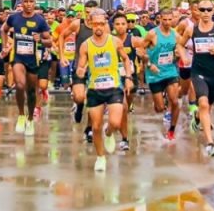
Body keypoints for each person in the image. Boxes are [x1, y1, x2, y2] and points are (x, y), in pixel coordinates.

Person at [75, 9, 133, 172]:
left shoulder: (115, 42)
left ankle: (109, 134)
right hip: (95, 89)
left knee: (114, 122)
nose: (98, 27)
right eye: (96, 24)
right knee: (95, 127)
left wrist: (128, 78)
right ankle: (100, 157)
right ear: (91, 24)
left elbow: (126, 60)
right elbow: (81, 65)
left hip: (114, 87)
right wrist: (80, 71)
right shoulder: (86, 45)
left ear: (105, 24)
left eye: (102, 23)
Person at [178, 0, 214, 157]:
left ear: (213, 11)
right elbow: (180, 44)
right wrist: (184, 57)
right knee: (203, 104)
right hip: (197, 72)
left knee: (207, 107)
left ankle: (197, 118)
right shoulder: (192, 29)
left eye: (208, 10)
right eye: (202, 9)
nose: (205, 12)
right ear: (197, 11)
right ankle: (210, 143)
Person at [2, 0, 53, 136]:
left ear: (34, 3)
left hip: (33, 59)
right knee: (19, 84)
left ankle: (30, 119)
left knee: (31, 92)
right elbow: (3, 30)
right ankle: (21, 115)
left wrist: (41, 40)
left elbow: (49, 42)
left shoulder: (40, 20)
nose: (28, 4)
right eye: (26, 1)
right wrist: (5, 46)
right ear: (22, 3)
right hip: (18, 57)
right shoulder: (14, 18)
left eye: (31, 1)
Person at [59, 0, 98, 141]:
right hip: (79, 66)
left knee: (93, 100)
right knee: (79, 97)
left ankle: (89, 129)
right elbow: (62, 36)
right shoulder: (78, 24)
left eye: (92, 13)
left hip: (96, 67)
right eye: (87, 13)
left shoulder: (102, 26)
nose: (89, 16)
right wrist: (62, 56)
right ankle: (79, 107)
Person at [141, 9, 180, 140]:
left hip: (170, 71)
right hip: (154, 73)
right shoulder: (152, 34)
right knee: (159, 108)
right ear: (159, 19)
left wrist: (179, 55)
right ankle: (159, 103)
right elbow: (141, 51)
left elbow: (180, 49)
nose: (168, 22)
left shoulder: (175, 34)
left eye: (170, 19)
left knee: (175, 101)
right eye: (165, 19)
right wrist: (149, 64)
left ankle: (172, 130)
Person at [112, 13, 145, 151]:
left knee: (128, 104)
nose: (120, 27)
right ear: (113, 26)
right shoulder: (110, 40)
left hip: (131, 76)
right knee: (123, 107)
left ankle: (118, 121)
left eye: (123, 24)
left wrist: (144, 57)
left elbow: (148, 49)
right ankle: (125, 139)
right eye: (117, 24)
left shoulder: (133, 40)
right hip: (115, 78)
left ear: (128, 25)